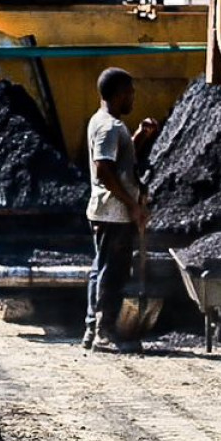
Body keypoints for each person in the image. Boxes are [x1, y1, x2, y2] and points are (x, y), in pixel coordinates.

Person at [83, 66, 163, 350]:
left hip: (109, 212)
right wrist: (132, 205)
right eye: (130, 93)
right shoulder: (109, 127)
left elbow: (121, 164)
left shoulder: (104, 122)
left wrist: (140, 135)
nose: (133, 98)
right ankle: (104, 333)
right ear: (118, 95)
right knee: (111, 273)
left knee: (101, 270)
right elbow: (103, 169)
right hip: (113, 213)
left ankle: (93, 329)